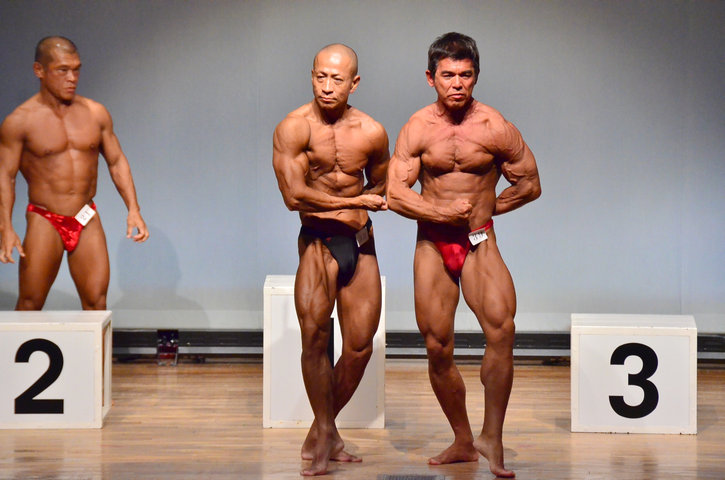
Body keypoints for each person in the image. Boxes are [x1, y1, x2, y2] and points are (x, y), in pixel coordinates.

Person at [387, 32, 541, 478]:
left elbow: (530, 183)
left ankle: (492, 436)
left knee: (503, 330)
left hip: (478, 240)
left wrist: (485, 209)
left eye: (466, 75)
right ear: (430, 77)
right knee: (437, 346)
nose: (457, 83)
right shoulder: (418, 127)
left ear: (476, 76)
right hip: (433, 242)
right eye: (448, 75)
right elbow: (395, 194)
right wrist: (437, 211)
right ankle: (461, 438)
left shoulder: (495, 126)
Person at [272, 44, 389, 476]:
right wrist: (355, 200)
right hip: (318, 242)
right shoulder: (294, 127)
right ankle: (325, 437)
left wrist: (363, 202)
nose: (326, 86)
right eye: (320, 76)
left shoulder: (372, 131)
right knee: (314, 341)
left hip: (359, 241)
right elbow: (293, 196)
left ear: (353, 83)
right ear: (311, 76)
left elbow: (381, 185)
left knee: (359, 347)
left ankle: (323, 432)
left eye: (336, 79)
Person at [0, 36, 149, 310]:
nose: (72, 78)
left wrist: (133, 209)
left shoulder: (95, 113)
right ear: (39, 70)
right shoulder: (19, 122)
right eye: (62, 70)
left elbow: (116, 161)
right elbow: (5, 176)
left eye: (76, 69)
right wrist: (6, 226)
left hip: (85, 215)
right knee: (30, 303)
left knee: (96, 301)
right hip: (45, 217)